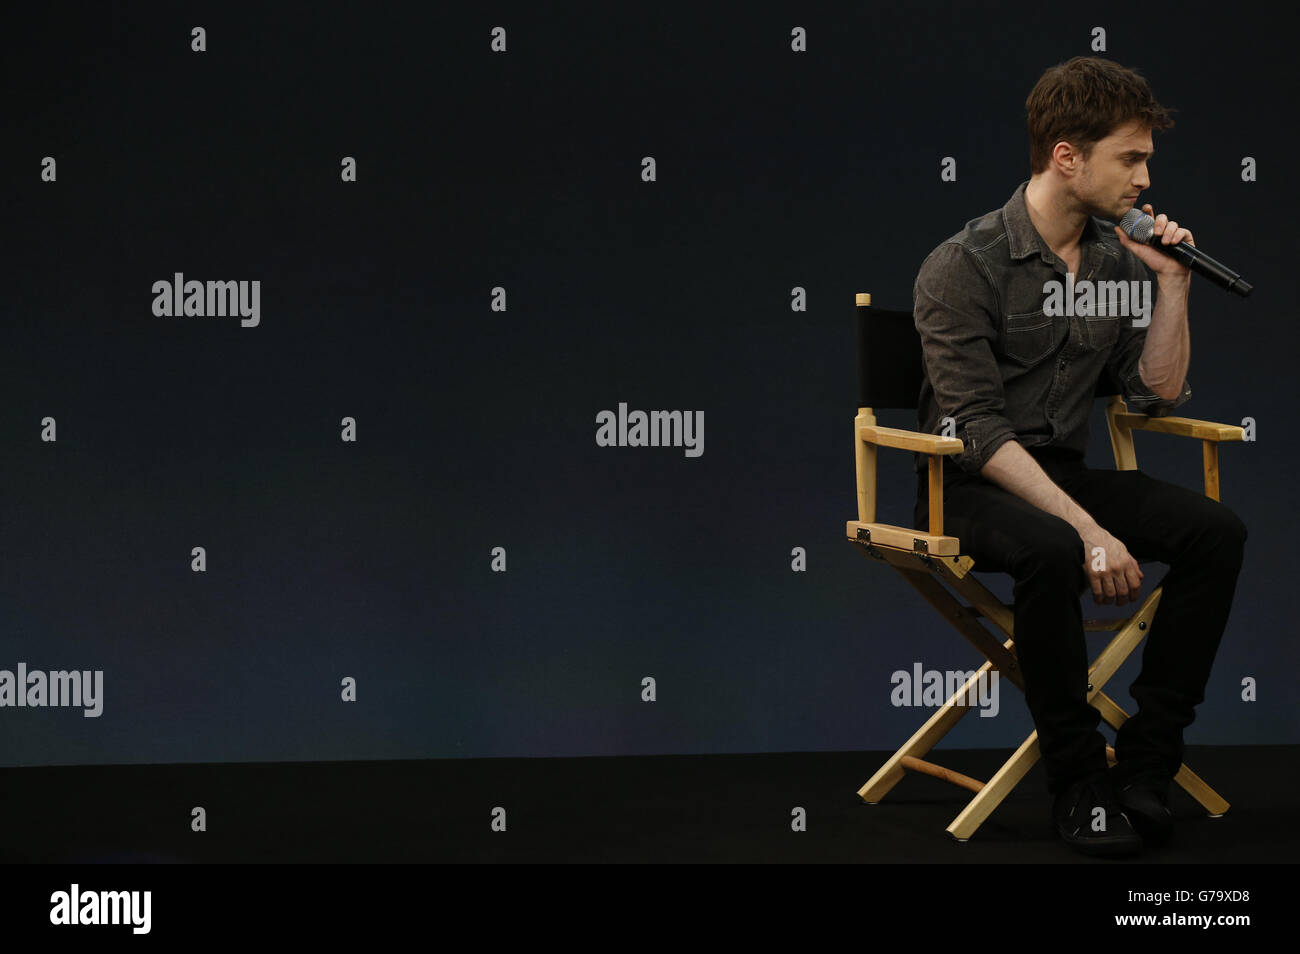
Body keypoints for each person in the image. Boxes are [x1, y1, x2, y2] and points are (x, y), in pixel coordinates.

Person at [910, 56, 1248, 857]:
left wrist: (1171, 287)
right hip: (967, 484)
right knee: (1055, 547)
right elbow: (978, 432)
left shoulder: (1112, 261)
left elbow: (1155, 394)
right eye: (1130, 157)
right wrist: (1090, 529)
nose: (1145, 176)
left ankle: (1146, 764)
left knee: (1217, 533)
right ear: (1068, 155)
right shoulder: (965, 264)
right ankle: (1077, 781)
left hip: (1060, 473)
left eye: (1146, 160)